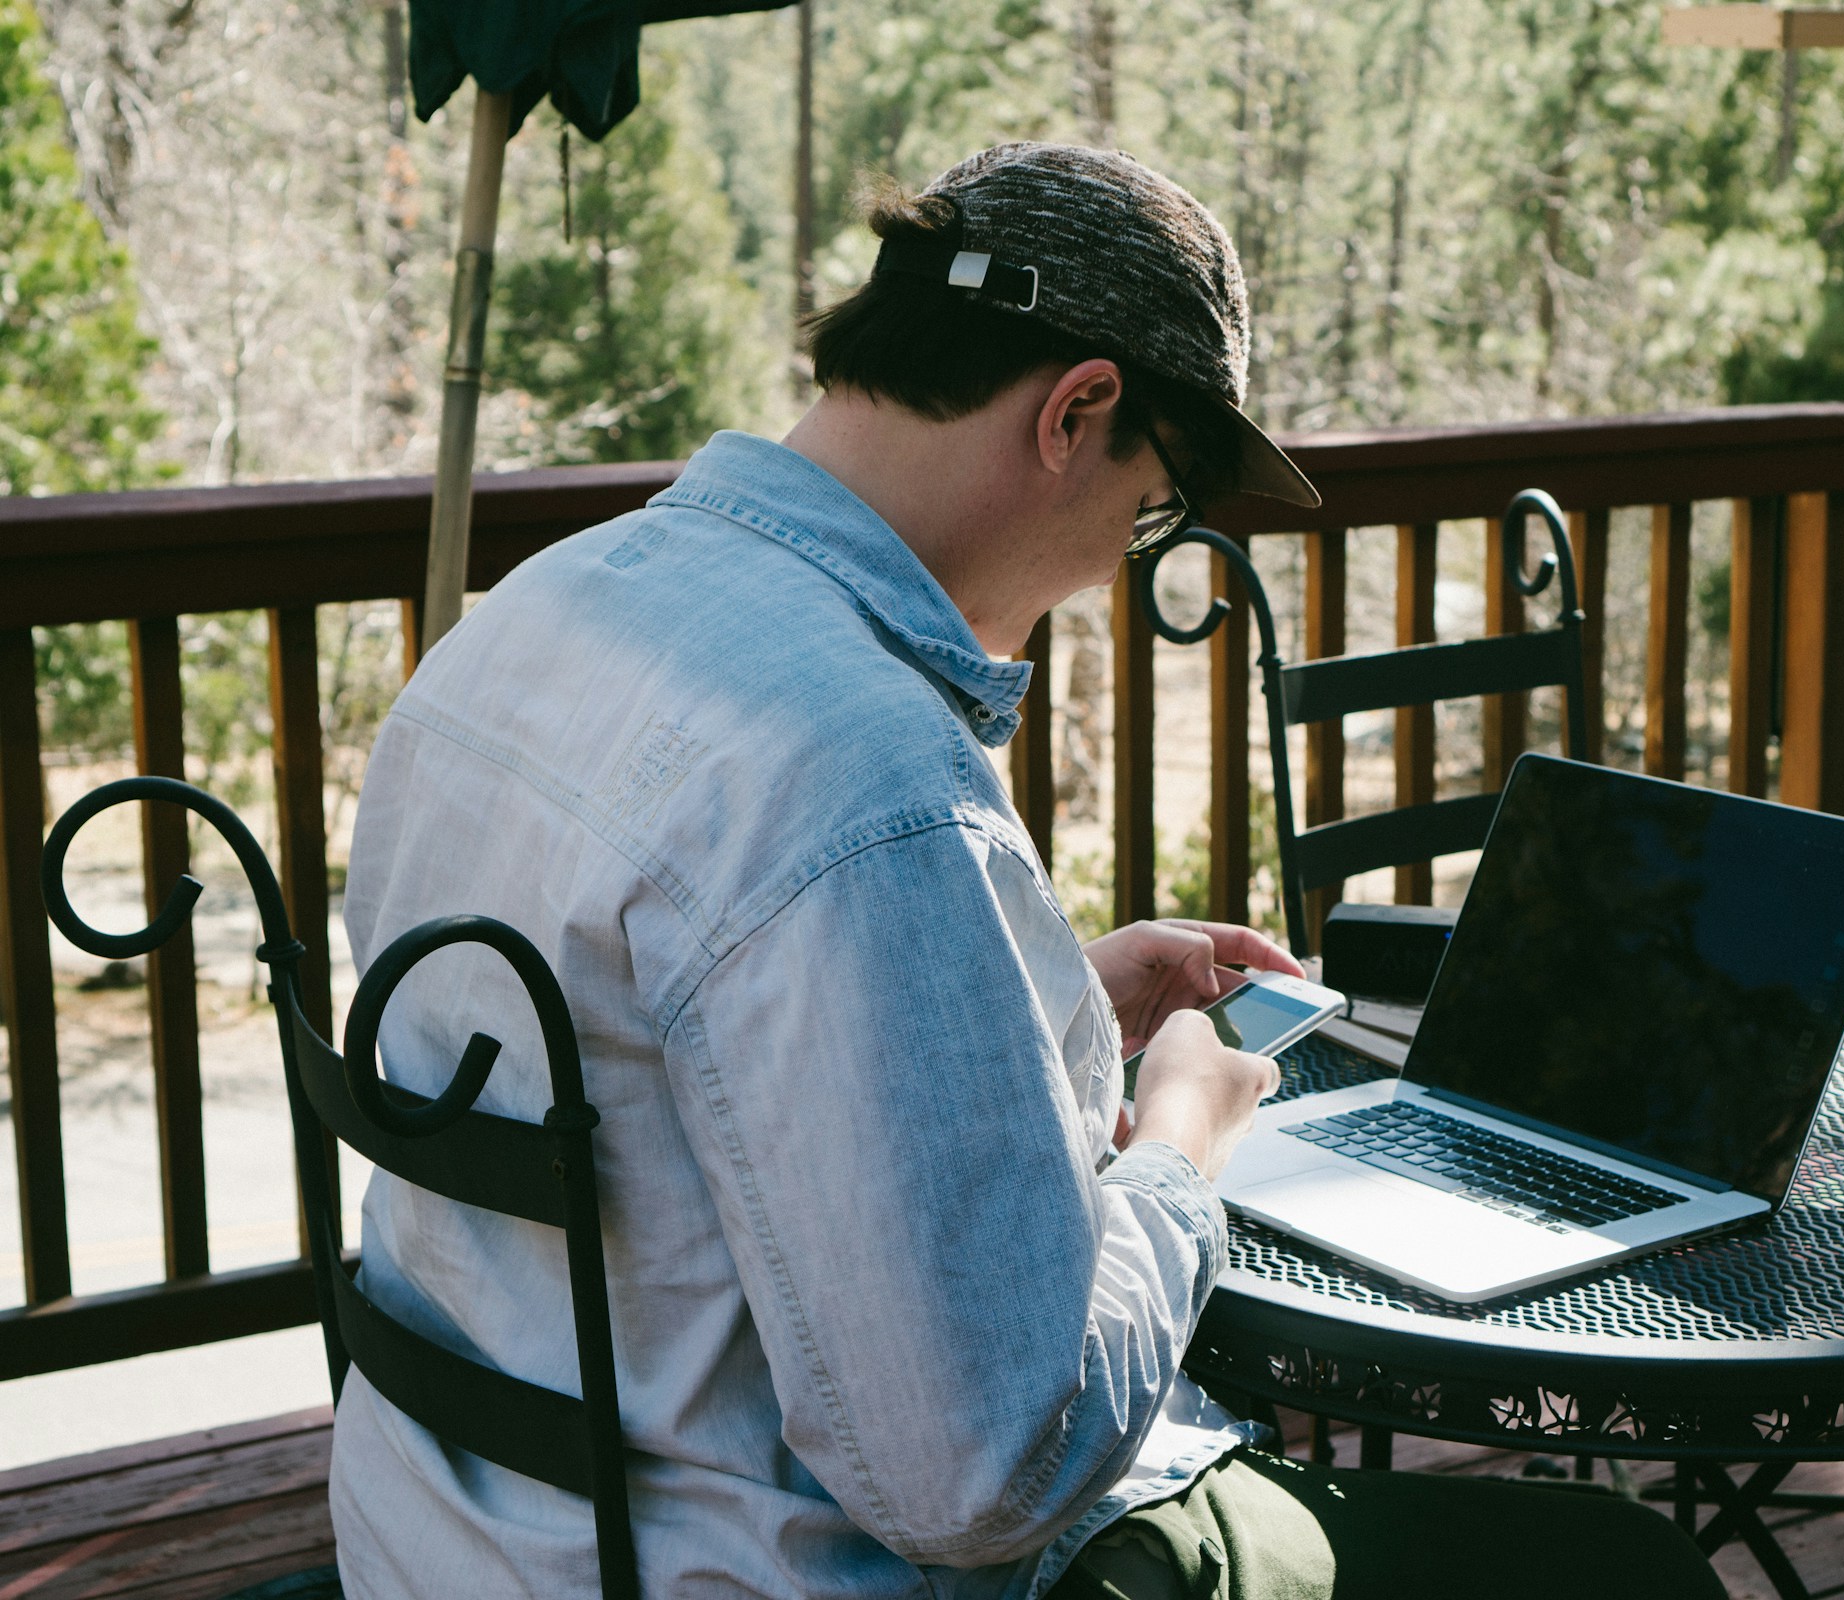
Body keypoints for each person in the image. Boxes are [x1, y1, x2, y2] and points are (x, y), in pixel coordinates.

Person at [330, 141, 1725, 1599]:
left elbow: (696, 1061)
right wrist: (1183, 1141)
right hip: (746, 1568)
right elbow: (992, 1466)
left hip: (448, 1541)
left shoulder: (536, 616)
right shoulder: (857, 776)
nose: (1127, 557)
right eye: (1160, 502)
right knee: (1626, 1570)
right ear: (1078, 412)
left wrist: (1038, 1000)